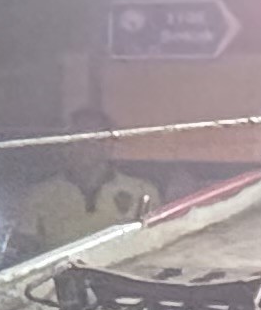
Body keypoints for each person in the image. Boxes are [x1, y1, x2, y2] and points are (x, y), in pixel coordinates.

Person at [14, 107, 155, 256]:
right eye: (77, 138)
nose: (85, 146)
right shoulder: (39, 195)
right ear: (64, 145)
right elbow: (23, 252)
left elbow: (154, 247)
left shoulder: (142, 192)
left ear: (111, 144)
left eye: (96, 139)